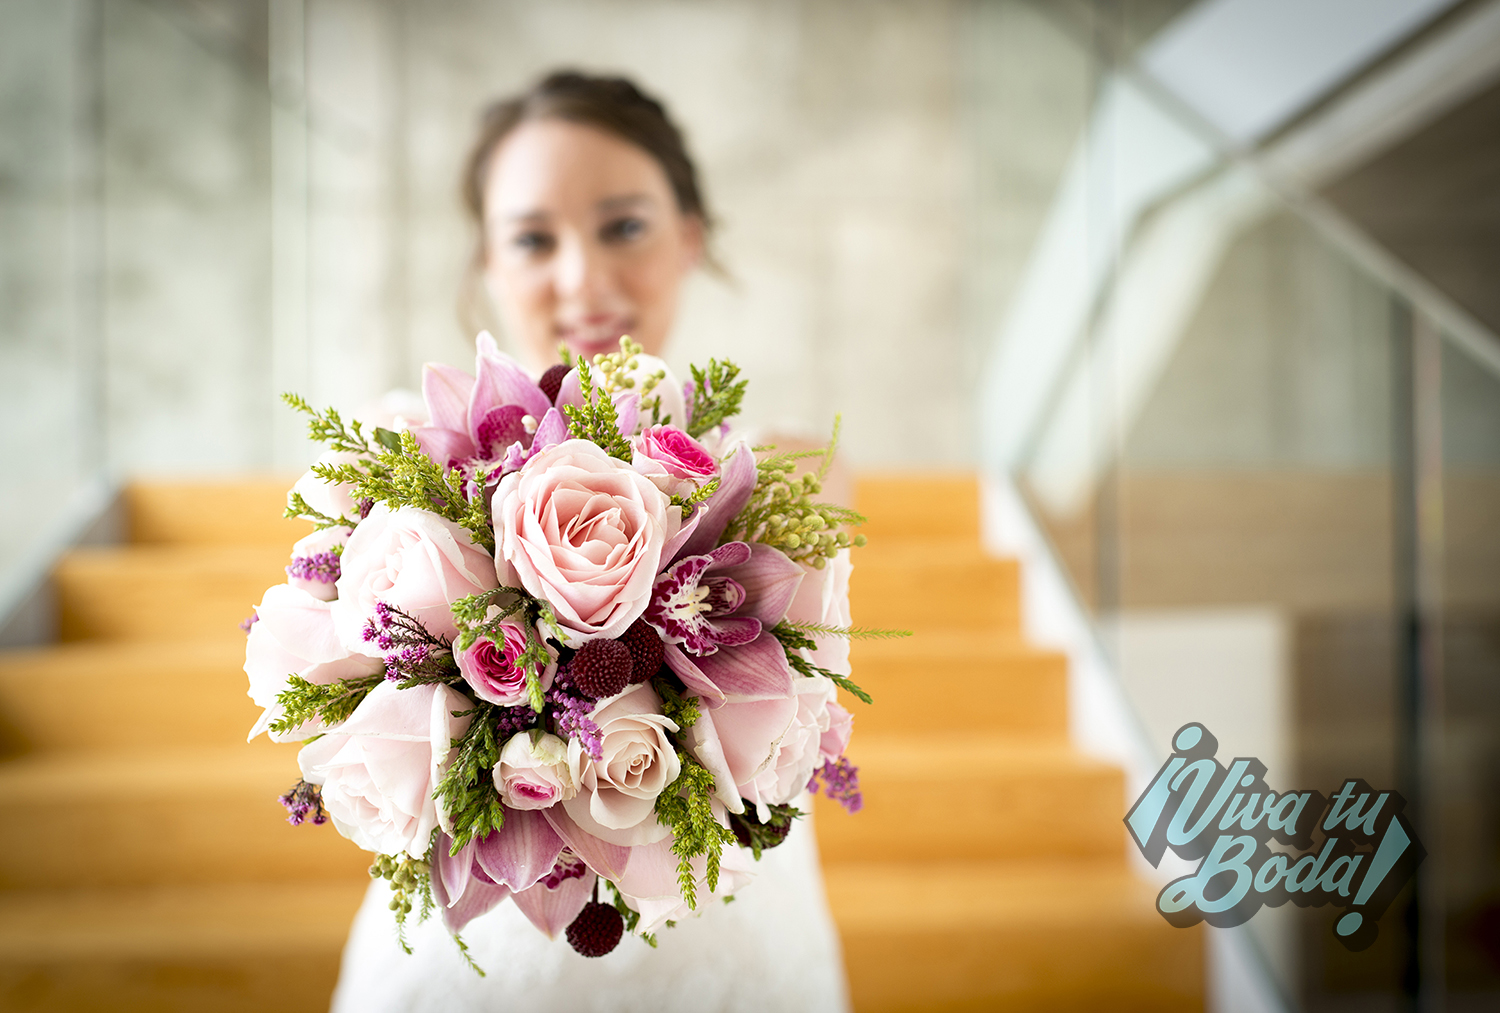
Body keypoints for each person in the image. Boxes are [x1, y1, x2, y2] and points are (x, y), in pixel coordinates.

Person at [330, 71, 851, 1013]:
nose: (581, 279)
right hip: (467, 961)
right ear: (487, 260)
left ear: (690, 237)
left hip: (729, 947)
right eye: (533, 238)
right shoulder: (398, 456)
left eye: (623, 226)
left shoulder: (786, 470)